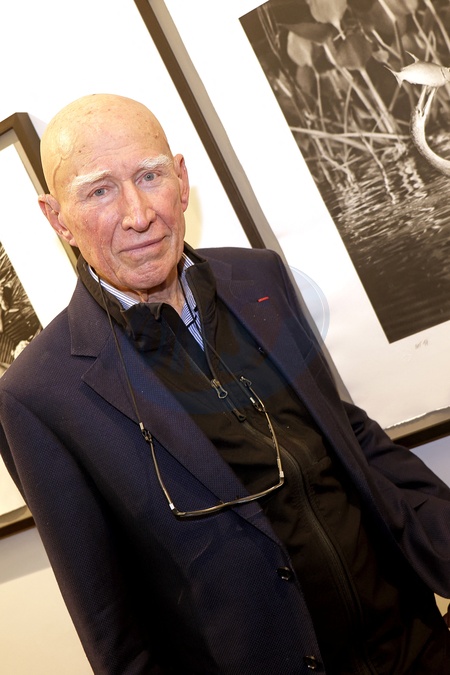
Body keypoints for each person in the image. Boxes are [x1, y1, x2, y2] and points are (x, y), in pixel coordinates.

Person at [0, 93, 449, 675]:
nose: (138, 214)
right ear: (58, 218)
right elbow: (114, 627)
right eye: (99, 191)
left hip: (416, 646)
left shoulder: (258, 277)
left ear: (181, 180)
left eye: (149, 176)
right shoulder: (38, 395)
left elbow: (348, 438)